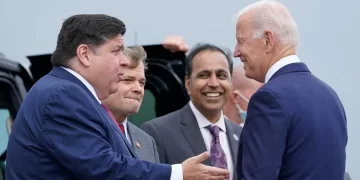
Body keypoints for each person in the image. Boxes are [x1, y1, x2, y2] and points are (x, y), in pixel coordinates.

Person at [5, 14, 230, 180]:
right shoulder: (63, 94)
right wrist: (179, 172)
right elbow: (103, 168)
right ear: (84, 54)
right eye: (116, 51)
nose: (124, 60)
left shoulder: (68, 92)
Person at [233, 1, 347, 179]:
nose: (236, 52)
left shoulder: (268, 98)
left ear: (268, 40)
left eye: (241, 41)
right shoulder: (330, 96)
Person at [142, 43, 242, 180]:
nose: (213, 83)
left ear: (231, 83)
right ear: (188, 84)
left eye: (221, 75)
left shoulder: (243, 135)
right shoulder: (156, 133)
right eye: (204, 75)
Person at [101, 46, 160, 163]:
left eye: (142, 83)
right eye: (128, 80)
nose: (138, 89)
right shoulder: (84, 129)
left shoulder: (147, 141)